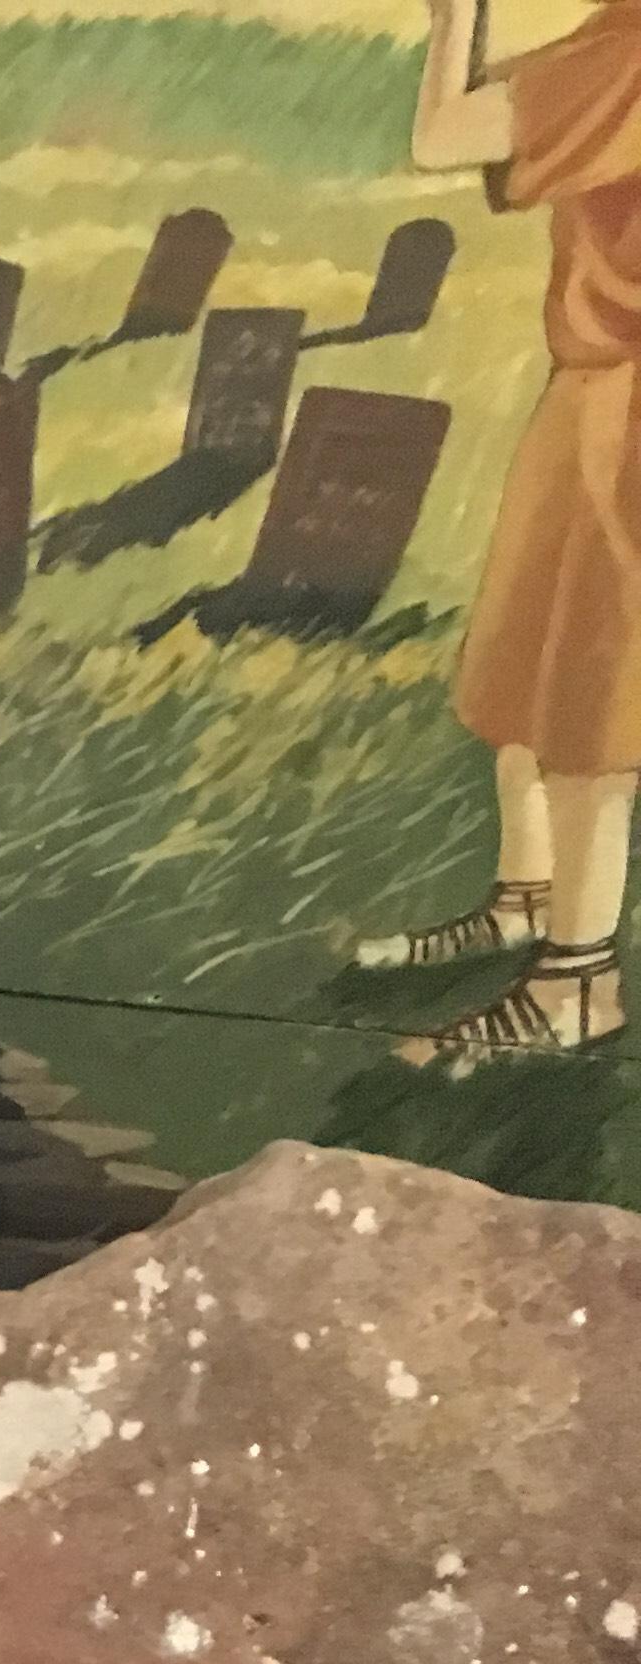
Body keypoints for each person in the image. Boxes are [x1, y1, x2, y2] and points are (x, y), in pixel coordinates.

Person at [360, 0, 637, 1059]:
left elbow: (445, 134)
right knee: (527, 656)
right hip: (593, 385)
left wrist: (454, 15)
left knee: (596, 699)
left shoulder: (630, 57)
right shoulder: (614, 39)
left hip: (626, 401)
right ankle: (527, 896)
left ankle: (578, 979)